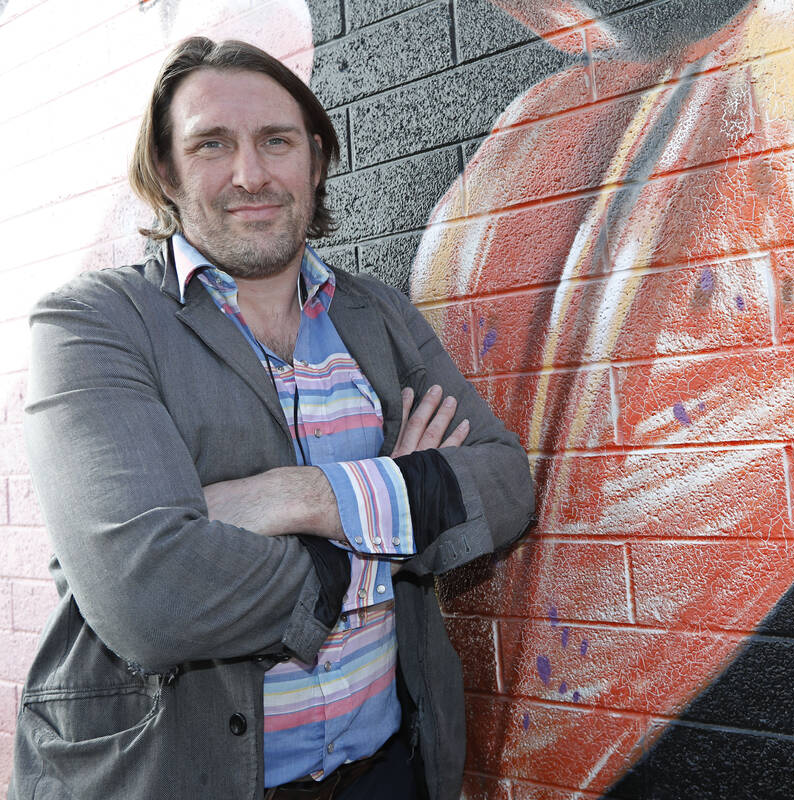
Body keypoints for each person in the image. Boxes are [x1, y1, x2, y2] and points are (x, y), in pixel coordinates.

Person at [8, 36, 534, 800]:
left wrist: (300, 497)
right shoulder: (93, 325)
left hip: (387, 769)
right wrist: (397, 504)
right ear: (166, 170)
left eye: (276, 141)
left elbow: (505, 484)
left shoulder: (379, 316)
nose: (249, 174)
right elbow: (149, 598)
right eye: (212, 144)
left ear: (315, 160)